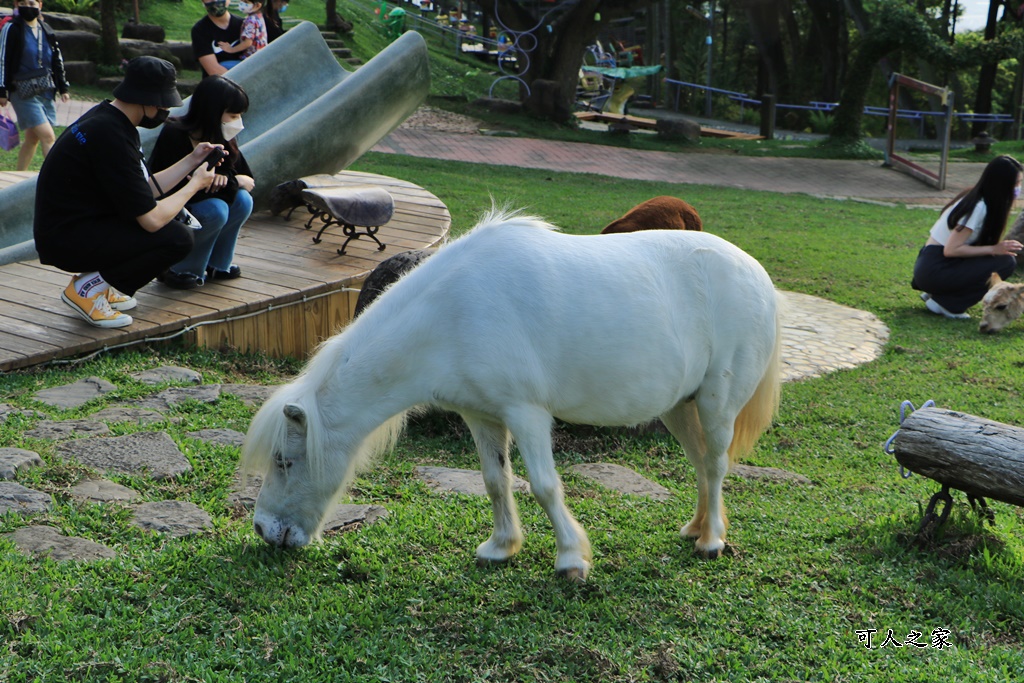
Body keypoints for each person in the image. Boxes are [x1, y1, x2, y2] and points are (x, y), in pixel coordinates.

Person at [33, 56, 220, 328]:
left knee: (170, 228)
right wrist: (195, 185)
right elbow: (152, 219)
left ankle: (104, 285)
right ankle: (88, 290)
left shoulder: (109, 120)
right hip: (66, 239)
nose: (165, 110)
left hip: (70, 228)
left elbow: (143, 190)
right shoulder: (111, 136)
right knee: (176, 237)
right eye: (162, 103)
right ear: (145, 99)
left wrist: (192, 160)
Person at [148, 75, 254, 289]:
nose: (237, 122)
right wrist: (214, 184)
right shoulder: (175, 134)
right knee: (216, 209)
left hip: (208, 201)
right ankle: (182, 269)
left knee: (243, 201)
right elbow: (168, 185)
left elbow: (248, 180)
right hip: (177, 208)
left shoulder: (224, 137)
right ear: (213, 111)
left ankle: (218, 263)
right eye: (232, 115)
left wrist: (227, 181)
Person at [911, 154, 1023, 319]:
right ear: (1002, 184)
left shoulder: (978, 199)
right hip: (935, 267)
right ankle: (948, 304)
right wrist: (995, 249)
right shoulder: (978, 206)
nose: (1018, 188)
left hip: (933, 265)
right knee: (1005, 262)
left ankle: (939, 296)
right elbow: (951, 250)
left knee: (1000, 258)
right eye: (1015, 184)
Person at [0, 0, 70, 170]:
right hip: (22, 92)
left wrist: (63, 87)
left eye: (32, 3)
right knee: (48, 137)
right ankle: (56, 181)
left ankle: (19, 177)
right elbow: (3, 59)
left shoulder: (46, 30)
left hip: (44, 90)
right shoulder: (11, 29)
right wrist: (2, 90)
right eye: (23, 2)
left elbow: (56, 59)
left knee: (33, 138)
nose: (28, 6)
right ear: (17, 5)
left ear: (40, 4)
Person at [192, 0, 244, 77]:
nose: (215, 1)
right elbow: (214, 70)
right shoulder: (200, 30)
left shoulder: (245, 25)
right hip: (218, 85)